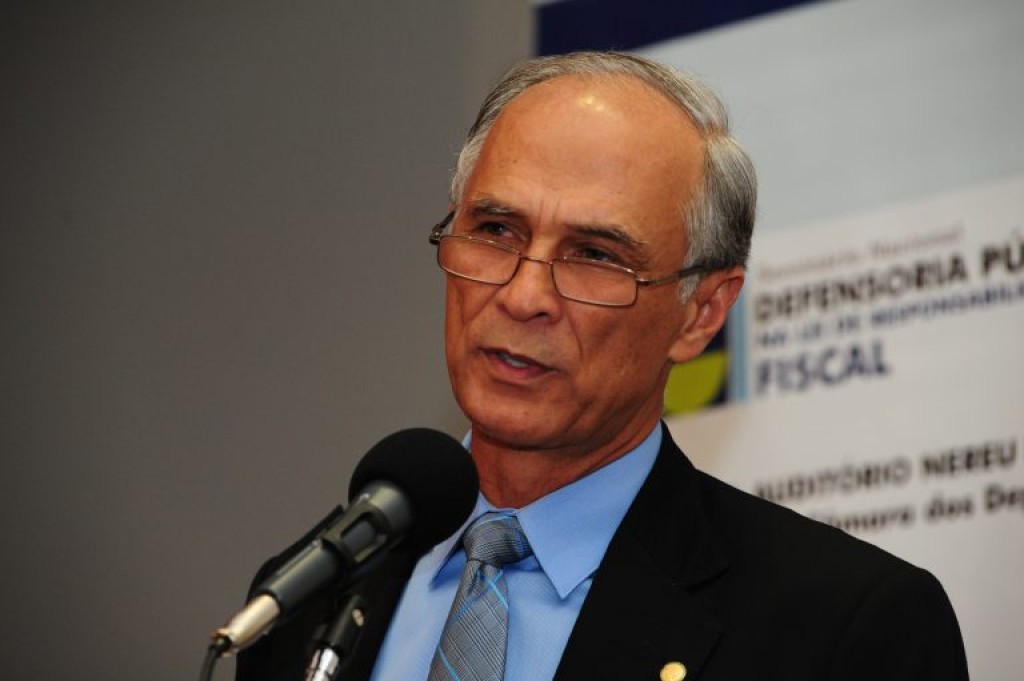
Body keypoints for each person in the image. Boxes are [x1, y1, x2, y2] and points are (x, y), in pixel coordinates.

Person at [238, 51, 968, 680]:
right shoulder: (307, 597)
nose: (524, 296)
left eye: (594, 255)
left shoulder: (844, 625)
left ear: (701, 312)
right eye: (495, 230)